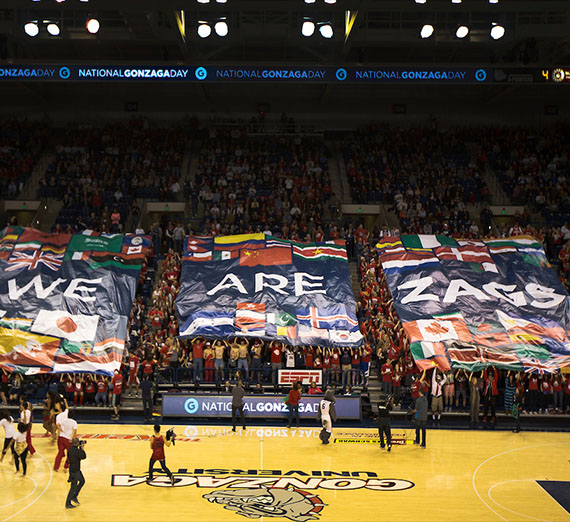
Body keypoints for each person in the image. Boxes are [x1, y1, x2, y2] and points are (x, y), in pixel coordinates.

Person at [66, 438, 86, 509]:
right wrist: (82, 448)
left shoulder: (70, 449)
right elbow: (83, 456)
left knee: (82, 481)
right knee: (73, 487)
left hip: (73, 469)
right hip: (75, 471)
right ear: (77, 443)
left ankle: (74, 496)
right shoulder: (76, 451)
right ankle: (68, 503)